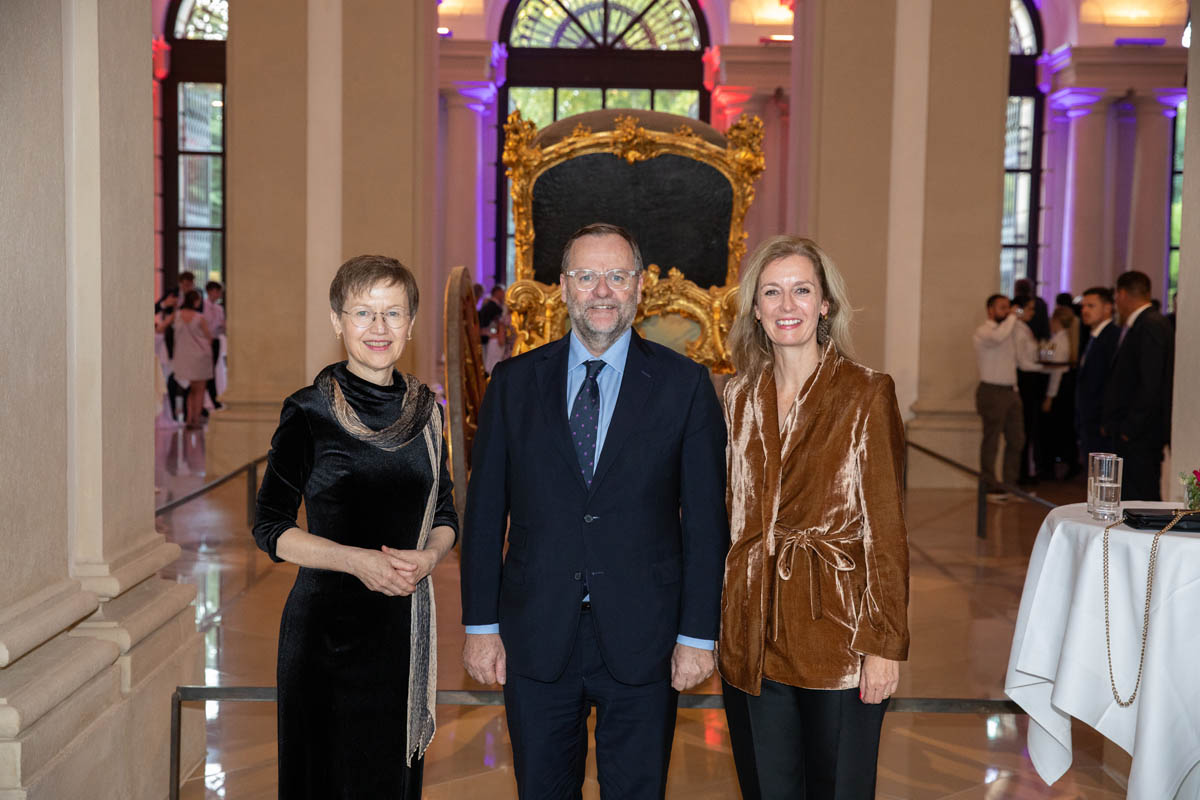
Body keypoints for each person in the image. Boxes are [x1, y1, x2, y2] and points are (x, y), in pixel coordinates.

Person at [460, 222, 728, 798]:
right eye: (586, 276)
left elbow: (707, 524)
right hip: (535, 636)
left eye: (616, 275)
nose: (601, 290)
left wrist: (698, 635)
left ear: (639, 287)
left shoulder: (684, 387)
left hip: (646, 638)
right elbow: (484, 516)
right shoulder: (512, 384)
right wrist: (481, 626)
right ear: (563, 287)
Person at [252, 255, 458, 799]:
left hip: (400, 632)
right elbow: (270, 526)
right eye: (363, 312)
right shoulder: (308, 412)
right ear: (336, 321)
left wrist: (431, 557)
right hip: (325, 635)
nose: (379, 328)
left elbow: (445, 515)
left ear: (411, 324)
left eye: (393, 313)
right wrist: (356, 560)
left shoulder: (428, 412)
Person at [718, 236, 909, 799]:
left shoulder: (866, 392)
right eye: (771, 292)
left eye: (802, 291)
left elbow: (888, 530)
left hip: (840, 635)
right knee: (767, 788)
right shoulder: (737, 396)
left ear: (825, 304)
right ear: (754, 307)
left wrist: (884, 644)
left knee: (838, 789)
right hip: (751, 631)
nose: (786, 305)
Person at [1101, 270, 1175, 501]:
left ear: (1121, 294)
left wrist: (1129, 428)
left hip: (1140, 434)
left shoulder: (1150, 325)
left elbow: (1150, 382)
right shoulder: (1146, 323)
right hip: (1137, 432)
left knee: (1140, 495)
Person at [972, 293, 1025, 502]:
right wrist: (1013, 317)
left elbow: (1020, 355)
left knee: (1017, 439)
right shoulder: (983, 331)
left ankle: (1010, 486)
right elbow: (998, 337)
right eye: (1002, 308)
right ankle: (990, 487)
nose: (1007, 311)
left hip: (1011, 391)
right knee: (992, 441)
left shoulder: (1011, 329)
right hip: (991, 391)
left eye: (1008, 307)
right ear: (990, 310)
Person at [157, 289, 212, 428]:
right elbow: (209, 337)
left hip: (183, 357)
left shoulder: (176, 315)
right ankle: (196, 419)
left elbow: (160, 328)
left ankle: (188, 419)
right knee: (199, 390)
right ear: (195, 301)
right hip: (200, 357)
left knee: (189, 389)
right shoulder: (200, 317)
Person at [1075, 286, 1118, 458]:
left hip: (1100, 422)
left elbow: (1112, 382)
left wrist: (1105, 420)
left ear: (1108, 308)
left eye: (1091, 306)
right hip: (1090, 420)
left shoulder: (1112, 337)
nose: (1084, 311)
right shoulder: (1094, 336)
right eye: (1083, 306)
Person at [1012, 295, 1048, 485]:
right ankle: (1023, 472)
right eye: (1030, 309)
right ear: (1019, 309)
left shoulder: (1024, 328)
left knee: (1029, 426)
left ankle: (1027, 470)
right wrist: (1044, 367)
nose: (1032, 313)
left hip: (1031, 379)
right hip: (1026, 380)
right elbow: (1024, 362)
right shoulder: (1018, 330)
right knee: (1025, 426)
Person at [1040, 306, 1078, 478]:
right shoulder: (1063, 339)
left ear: (1055, 321)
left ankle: (1053, 467)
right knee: (1062, 429)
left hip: (1058, 391)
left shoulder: (1060, 342)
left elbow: (1055, 373)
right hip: (1063, 390)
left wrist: (1049, 397)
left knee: (1055, 430)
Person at [202, 280, 226, 411]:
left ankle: (212, 399)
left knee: (212, 371)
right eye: (217, 291)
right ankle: (212, 399)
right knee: (206, 372)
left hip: (215, 341)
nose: (218, 295)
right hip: (205, 341)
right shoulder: (203, 306)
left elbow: (221, 327)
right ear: (210, 291)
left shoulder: (219, 308)